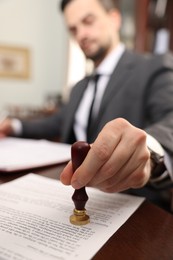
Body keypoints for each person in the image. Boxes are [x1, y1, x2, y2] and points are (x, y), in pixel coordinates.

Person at [0, 0, 173, 212]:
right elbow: (58, 122)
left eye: (88, 21)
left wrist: (150, 151)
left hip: (131, 209)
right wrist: (14, 126)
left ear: (114, 19)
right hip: (68, 199)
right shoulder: (79, 87)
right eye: (73, 29)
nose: (81, 34)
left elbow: (170, 121)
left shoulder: (153, 67)